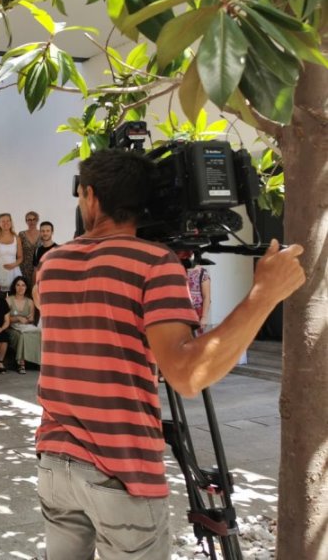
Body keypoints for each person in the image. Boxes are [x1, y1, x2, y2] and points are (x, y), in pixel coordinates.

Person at [33, 148, 304, 559]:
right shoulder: (154, 264)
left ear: (90, 196)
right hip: (121, 469)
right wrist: (263, 295)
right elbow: (186, 375)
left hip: (56, 464)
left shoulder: (52, 265)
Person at [5, 276, 39, 373]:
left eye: (23, 285)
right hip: (12, 328)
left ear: (26, 287)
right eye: (18, 285)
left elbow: (31, 319)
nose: (21, 288)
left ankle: (38, 362)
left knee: (39, 333)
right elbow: (4, 319)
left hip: (26, 327)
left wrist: (29, 319)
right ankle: (21, 363)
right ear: (14, 287)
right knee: (22, 336)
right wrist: (17, 318)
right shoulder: (8, 300)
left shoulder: (30, 302)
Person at [0, 213, 22, 292]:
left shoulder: (17, 238)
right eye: (3, 221)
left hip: (14, 270)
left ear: (11, 222)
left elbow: (20, 257)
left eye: (8, 221)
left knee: (14, 294)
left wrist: (13, 265)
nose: (5, 223)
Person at [179, 251, 212, 334]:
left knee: (196, 338)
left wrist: (204, 317)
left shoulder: (202, 272)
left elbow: (206, 297)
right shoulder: (178, 271)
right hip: (181, 312)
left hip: (197, 313)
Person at [17, 211, 41, 287]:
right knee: (25, 289)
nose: (32, 222)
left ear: (37, 220)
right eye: (29, 220)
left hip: (38, 267)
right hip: (24, 267)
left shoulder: (42, 233)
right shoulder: (21, 234)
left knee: (37, 289)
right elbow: (17, 251)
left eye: (34, 219)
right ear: (26, 221)